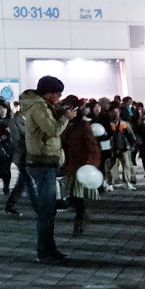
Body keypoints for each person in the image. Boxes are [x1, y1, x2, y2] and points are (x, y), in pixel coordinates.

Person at [21, 78, 69, 265]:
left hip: (46, 161)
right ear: (49, 92)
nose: (59, 97)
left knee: (49, 210)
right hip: (42, 162)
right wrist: (65, 117)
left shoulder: (42, 106)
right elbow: (52, 130)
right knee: (46, 210)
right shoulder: (39, 107)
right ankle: (44, 251)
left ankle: (50, 248)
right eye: (58, 93)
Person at [60, 98, 101, 237]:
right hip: (70, 165)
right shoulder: (66, 124)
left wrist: (90, 165)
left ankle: (79, 221)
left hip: (81, 166)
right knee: (72, 196)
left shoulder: (83, 126)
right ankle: (81, 217)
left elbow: (93, 147)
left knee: (77, 197)